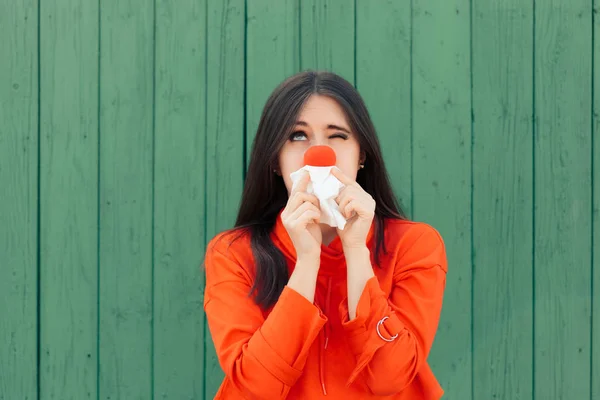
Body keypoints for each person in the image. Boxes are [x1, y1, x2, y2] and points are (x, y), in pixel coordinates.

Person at [202, 71, 447, 399]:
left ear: (361, 155)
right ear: (275, 159)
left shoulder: (414, 246)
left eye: (338, 136)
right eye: (297, 136)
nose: (319, 155)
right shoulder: (232, 254)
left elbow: (391, 379)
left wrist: (356, 250)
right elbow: (256, 387)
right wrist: (306, 261)